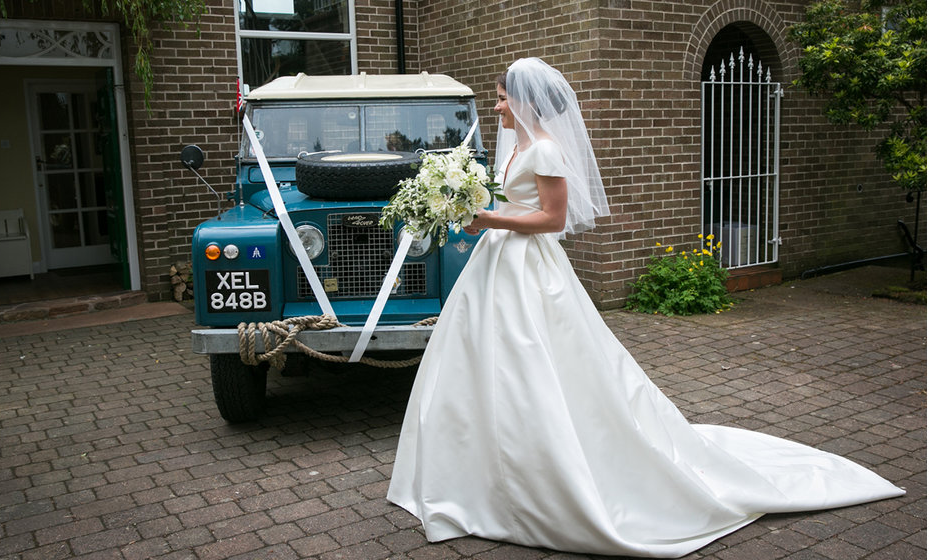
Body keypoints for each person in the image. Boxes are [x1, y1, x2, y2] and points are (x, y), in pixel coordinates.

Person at [386, 57, 903, 558]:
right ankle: (477, 470)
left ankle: (549, 466)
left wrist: (488, 220)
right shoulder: (516, 147)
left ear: (523, 100)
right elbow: (509, 205)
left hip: (528, 266)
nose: (495, 108)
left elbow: (551, 219)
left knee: (535, 361)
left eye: (501, 98)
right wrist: (473, 213)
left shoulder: (545, 150)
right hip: (494, 264)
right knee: (481, 363)